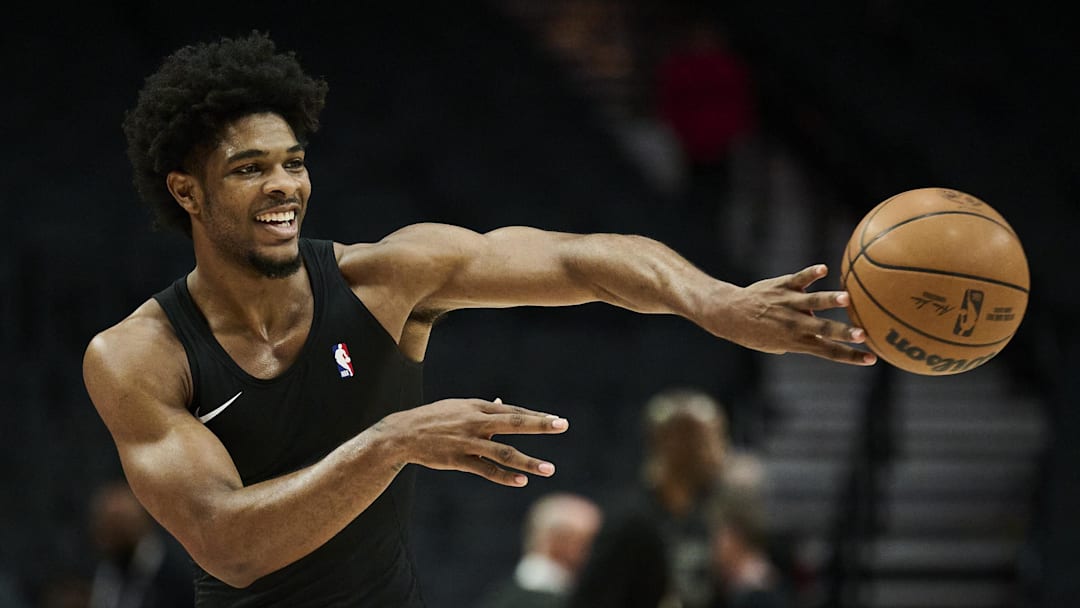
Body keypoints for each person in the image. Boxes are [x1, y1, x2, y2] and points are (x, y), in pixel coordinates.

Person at [81, 31, 875, 607]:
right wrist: (391, 441)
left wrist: (714, 301)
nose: (284, 185)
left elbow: (581, 260)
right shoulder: (137, 357)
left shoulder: (384, 278)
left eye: (293, 161)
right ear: (187, 192)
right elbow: (230, 545)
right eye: (250, 170)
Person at [568, 388, 732, 608]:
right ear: (669, 442)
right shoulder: (631, 524)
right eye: (705, 441)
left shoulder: (706, 517)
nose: (717, 453)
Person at [475, 492, 602, 608]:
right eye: (590, 539)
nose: (596, 548)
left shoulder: (508, 592)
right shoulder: (539, 599)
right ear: (557, 541)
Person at [87, 480, 193, 608]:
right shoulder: (104, 572)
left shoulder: (176, 575)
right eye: (105, 527)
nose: (109, 537)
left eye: (118, 526)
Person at [708, 499, 790, 608]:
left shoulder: (758, 586)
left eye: (722, 542)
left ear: (738, 543)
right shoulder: (732, 582)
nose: (716, 552)